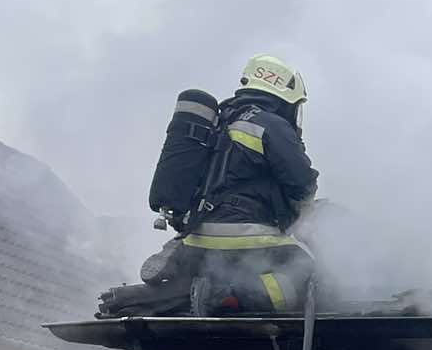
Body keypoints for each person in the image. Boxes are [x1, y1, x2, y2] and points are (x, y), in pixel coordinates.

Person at [98, 54, 320, 317]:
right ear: (284, 98)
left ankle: (128, 300)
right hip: (244, 235)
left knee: (196, 283)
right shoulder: (272, 125)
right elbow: (303, 183)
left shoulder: (218, 120)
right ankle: (226, 297)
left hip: (197, 235)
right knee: (304, 271)